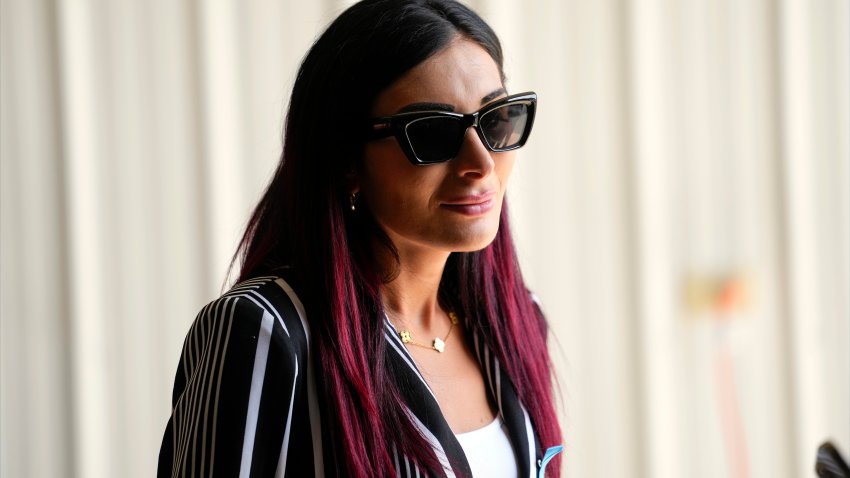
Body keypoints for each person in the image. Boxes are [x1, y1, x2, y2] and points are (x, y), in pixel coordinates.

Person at [158, 0, 563, 476]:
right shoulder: (268, 333)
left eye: (495, 119)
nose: (482, 162)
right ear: (347, 160)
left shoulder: (513, 320)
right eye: (432, 133)